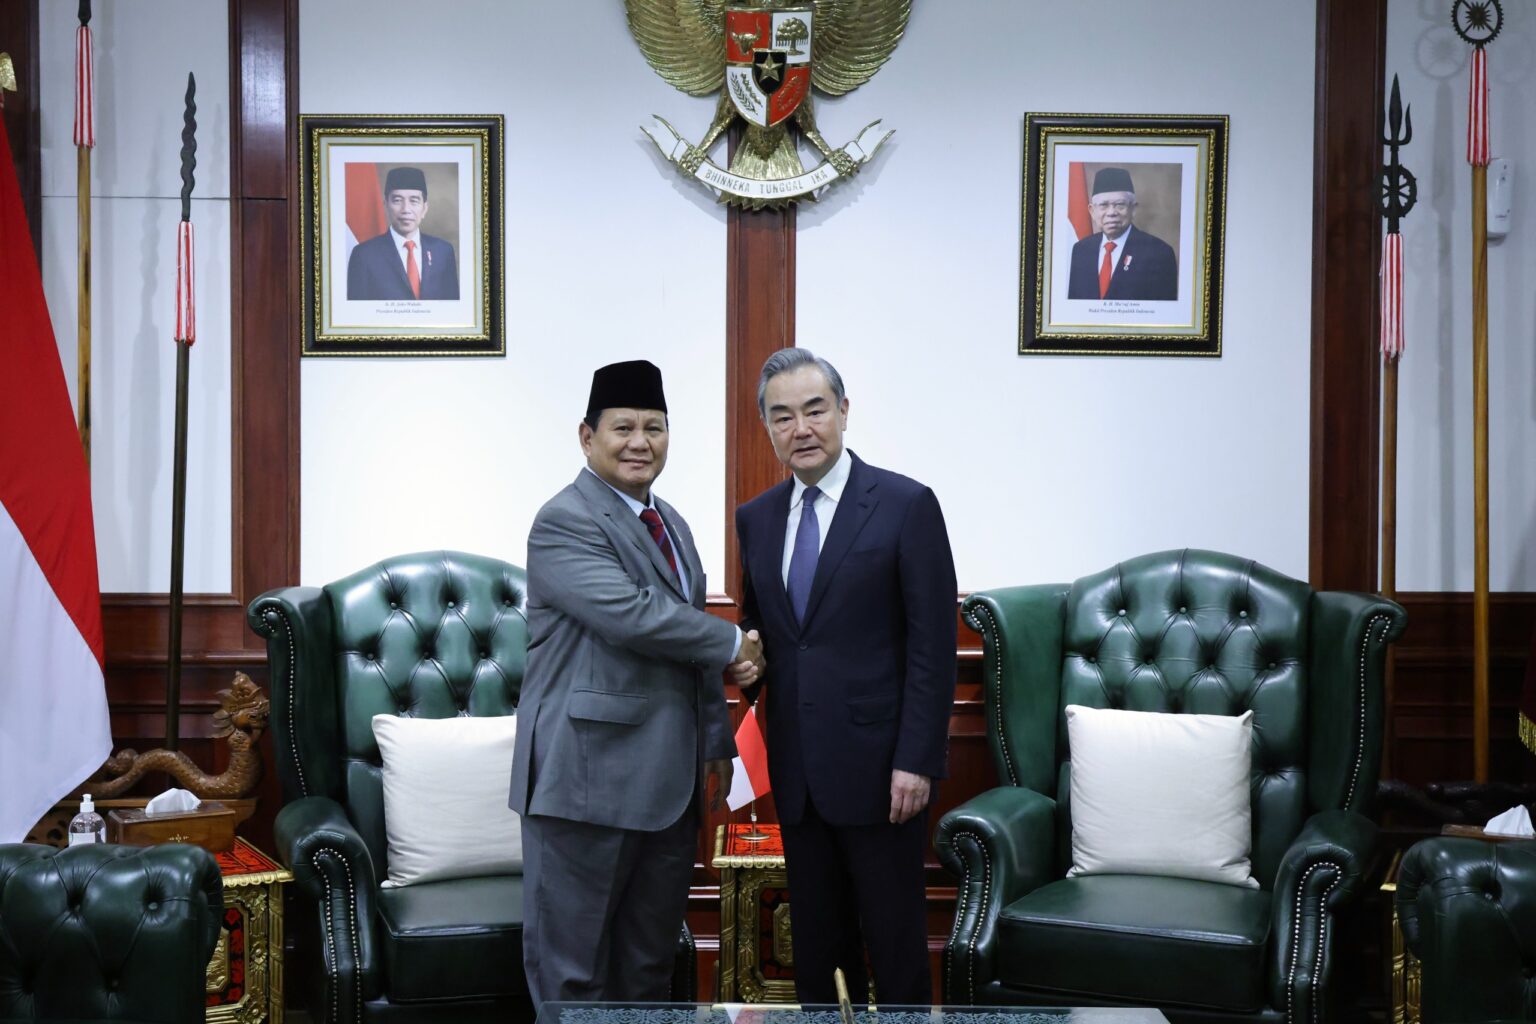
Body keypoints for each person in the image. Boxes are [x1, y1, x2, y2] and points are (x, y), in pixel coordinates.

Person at [509, 359, 763, 1004]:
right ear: (586, 436)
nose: (640, 442)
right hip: (585, 785)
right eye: (623, 427)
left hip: (670, 790)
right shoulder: (565, 520)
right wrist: (734, 641)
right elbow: (633, 617)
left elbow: (686, 642)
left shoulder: (670, 522)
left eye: (655, 428)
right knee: (573, 976)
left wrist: (715, 747)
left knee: (647, 972)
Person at [734, 348, 957, 1005]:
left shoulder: (904, 504)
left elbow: (933, 647)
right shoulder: (758, 517)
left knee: (895, 953)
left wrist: (916, 760)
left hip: (886, 777)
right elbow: (764, 633)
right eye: (782, 417)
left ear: (843, 411)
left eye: (814, 410)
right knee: (818, 959)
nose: (800, 429)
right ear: (768, 429)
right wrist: (745, 660)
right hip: (799, 776)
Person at [346, 166, 460, 300]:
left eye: (414, 201)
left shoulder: (443, 251)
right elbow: (357, 313)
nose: (406, 209)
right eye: (397, 200)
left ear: (424, 208)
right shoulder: (363, 255)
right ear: (386, 205)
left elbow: (452, 309)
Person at [1066, 166, 1178, 301]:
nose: (1111, 212)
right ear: (1092, 211)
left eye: (1120, 205)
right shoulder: (1081, 250)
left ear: (1133, 209)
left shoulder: (1159, 253)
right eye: (1103, 205)